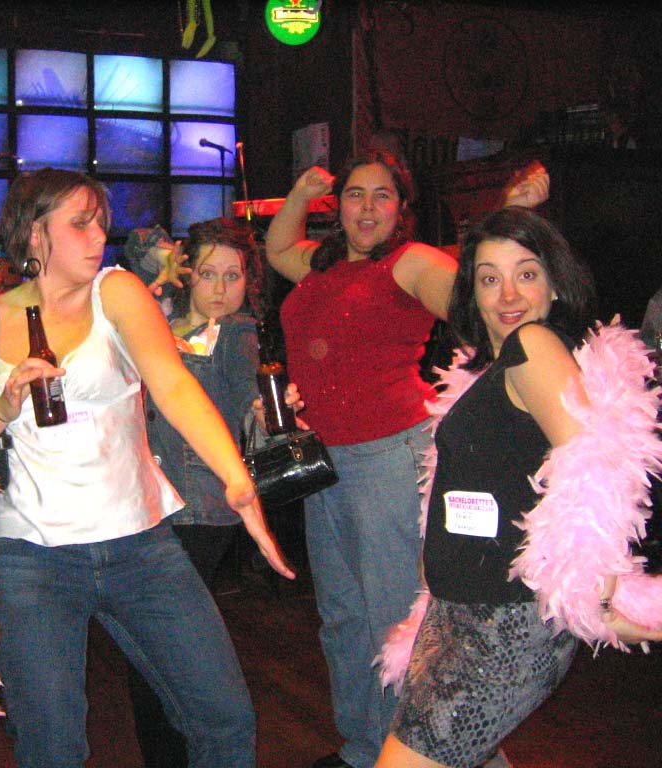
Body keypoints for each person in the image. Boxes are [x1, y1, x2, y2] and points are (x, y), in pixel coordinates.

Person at [0, 168, 294, 768]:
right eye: (79, 224)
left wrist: (238, 481)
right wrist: (4, 406)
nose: (97, 238)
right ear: (34, 234)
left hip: (139, 542)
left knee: (224, 720)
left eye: (100, 224)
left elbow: (173, 385)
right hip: (29, 556)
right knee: (52, 748)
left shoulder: (116, 291)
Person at [264, 148, 548, 768]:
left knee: (396, 623)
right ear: (338, 206)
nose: (367, 208)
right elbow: (277, 248)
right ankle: (365, 747)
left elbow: (480, 305)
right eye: (355, 194)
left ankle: (430, 754)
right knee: (343, 618)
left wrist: (510, 220)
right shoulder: (325, 263)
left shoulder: (411, 262)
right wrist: (300, 194)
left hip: (388, 457)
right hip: (321, 464)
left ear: (401, 208)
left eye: (382, 195)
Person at [373, 206, 662, 768]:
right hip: (459, 616)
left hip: (501, 629)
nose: (508, 294)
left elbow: (596, 464)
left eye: (526, 274)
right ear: (472, 294)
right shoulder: (493, 367)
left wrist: (604, 597)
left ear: (554, 284)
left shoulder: (534, 345)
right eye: (489, 279)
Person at [125, 216, 300, 767]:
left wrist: (268, 412)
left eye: (234, 275)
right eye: (207, 273)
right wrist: (166, 261)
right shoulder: (156, 315)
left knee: (167, 650)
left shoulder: (239, 335)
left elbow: (250, 398)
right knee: (147, 647)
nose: (221, 289)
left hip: (199, 510)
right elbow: (137, 244)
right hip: (142, 502)